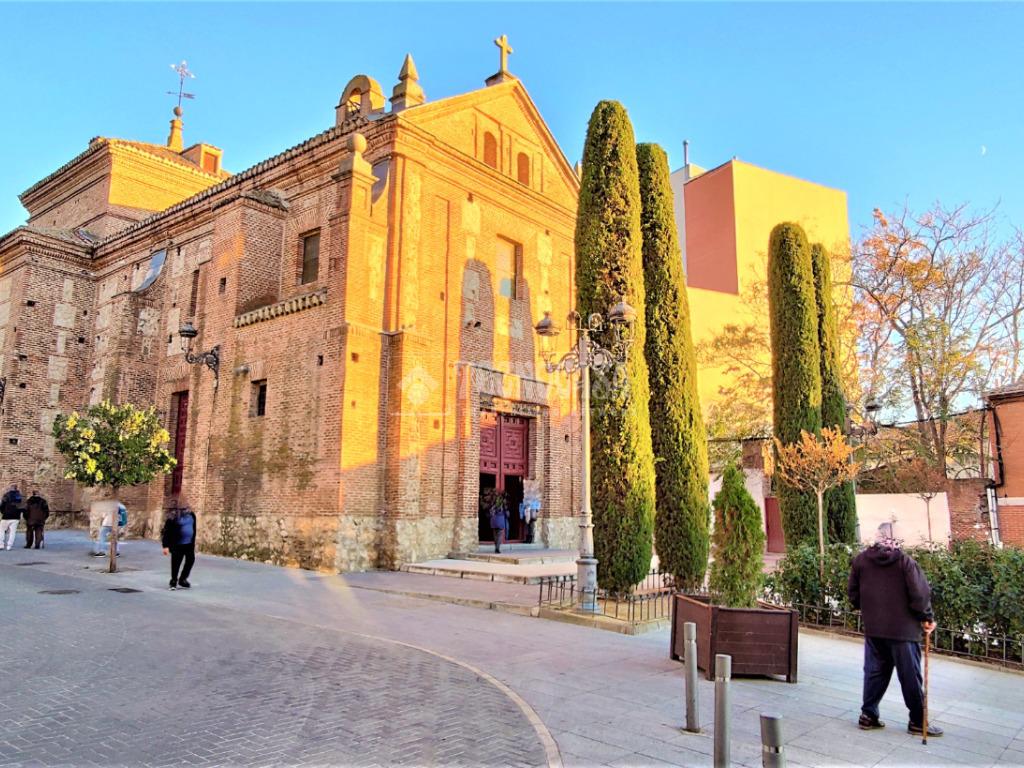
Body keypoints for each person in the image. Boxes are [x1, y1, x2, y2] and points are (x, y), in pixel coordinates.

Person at [848, 523, 943, 737]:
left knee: (874, 672)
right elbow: (919, 594)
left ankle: (868, 715)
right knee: (910, 675)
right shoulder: (905, 562)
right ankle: (917, 721)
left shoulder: (861, 561)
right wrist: (927, 617)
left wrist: (868, 609)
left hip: (874, 628)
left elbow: (853, 593)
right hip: (903, 630)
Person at [161, 496, 197, 590]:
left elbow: (194, 529)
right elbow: (167, 532)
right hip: (177, 544)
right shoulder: (173, 517)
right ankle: (173, 581)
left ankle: (183, 579)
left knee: (190, 560)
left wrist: (193, 541)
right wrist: (165, 546)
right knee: (176, 563)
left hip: (189, 544)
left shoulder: (192, 515)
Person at [1, 483, 24, 551]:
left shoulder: (6, 495)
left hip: (6, 515)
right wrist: (19, 513)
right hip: (15, 516)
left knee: (2, 530)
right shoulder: (19, 496)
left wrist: (3, 512)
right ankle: (9, 546)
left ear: (10, 488)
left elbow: (2, 505)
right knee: (12, 532)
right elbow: (22, 507)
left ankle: (1, 544)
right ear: (16, 488)